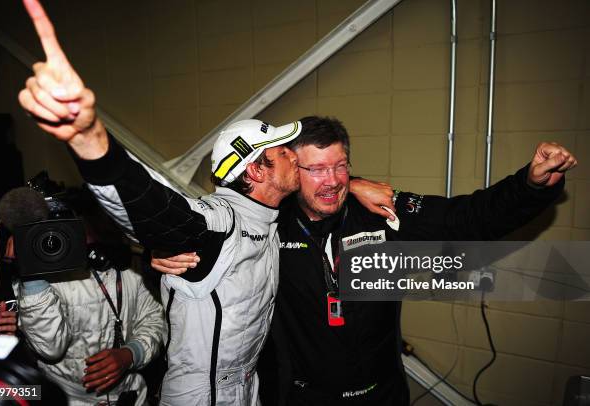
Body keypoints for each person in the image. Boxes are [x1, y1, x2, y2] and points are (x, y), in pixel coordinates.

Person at [154, 116, 577, 405]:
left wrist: (531, 186)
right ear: (291, 172)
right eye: (316, 169)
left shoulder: (378, 212)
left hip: (382, 394)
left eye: (341, 167)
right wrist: (168, 250)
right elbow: (206, 233)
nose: (333, 181)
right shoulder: (266, 227)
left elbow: (468, 218)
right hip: (300, 397)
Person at [17, 1, 304, 404]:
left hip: (246, 390)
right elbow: (160, 212)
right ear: (256, 171)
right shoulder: (222, 219)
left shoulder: (273, 219)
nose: (296, 154)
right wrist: (91, 141)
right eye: (283, 151)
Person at [10, 187, 165, 406]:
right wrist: (32, 272)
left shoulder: (131, 264)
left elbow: (153, 319)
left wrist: (131, 354)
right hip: (66, 399)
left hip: (132, 395)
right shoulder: (43, 277)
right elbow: (49, 348)